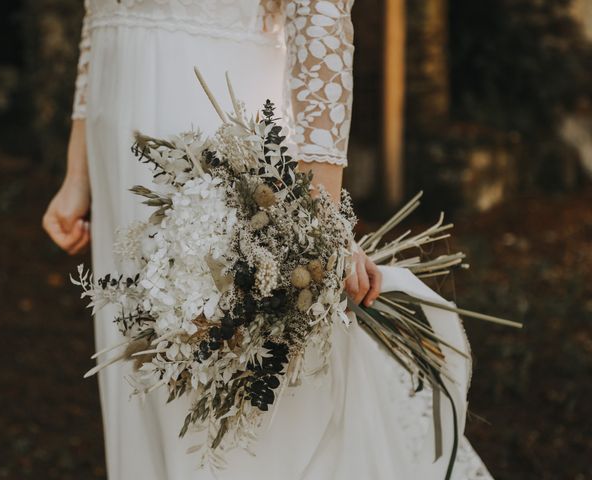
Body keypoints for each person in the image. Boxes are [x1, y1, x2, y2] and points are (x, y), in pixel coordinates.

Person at [43, 1, 492, 478]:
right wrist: (78, 173)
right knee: (142, 386)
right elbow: (98, 19)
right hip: (117, 156)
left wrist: (320, 219)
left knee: (222, 393)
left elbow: (321, 21)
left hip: (210, 143)